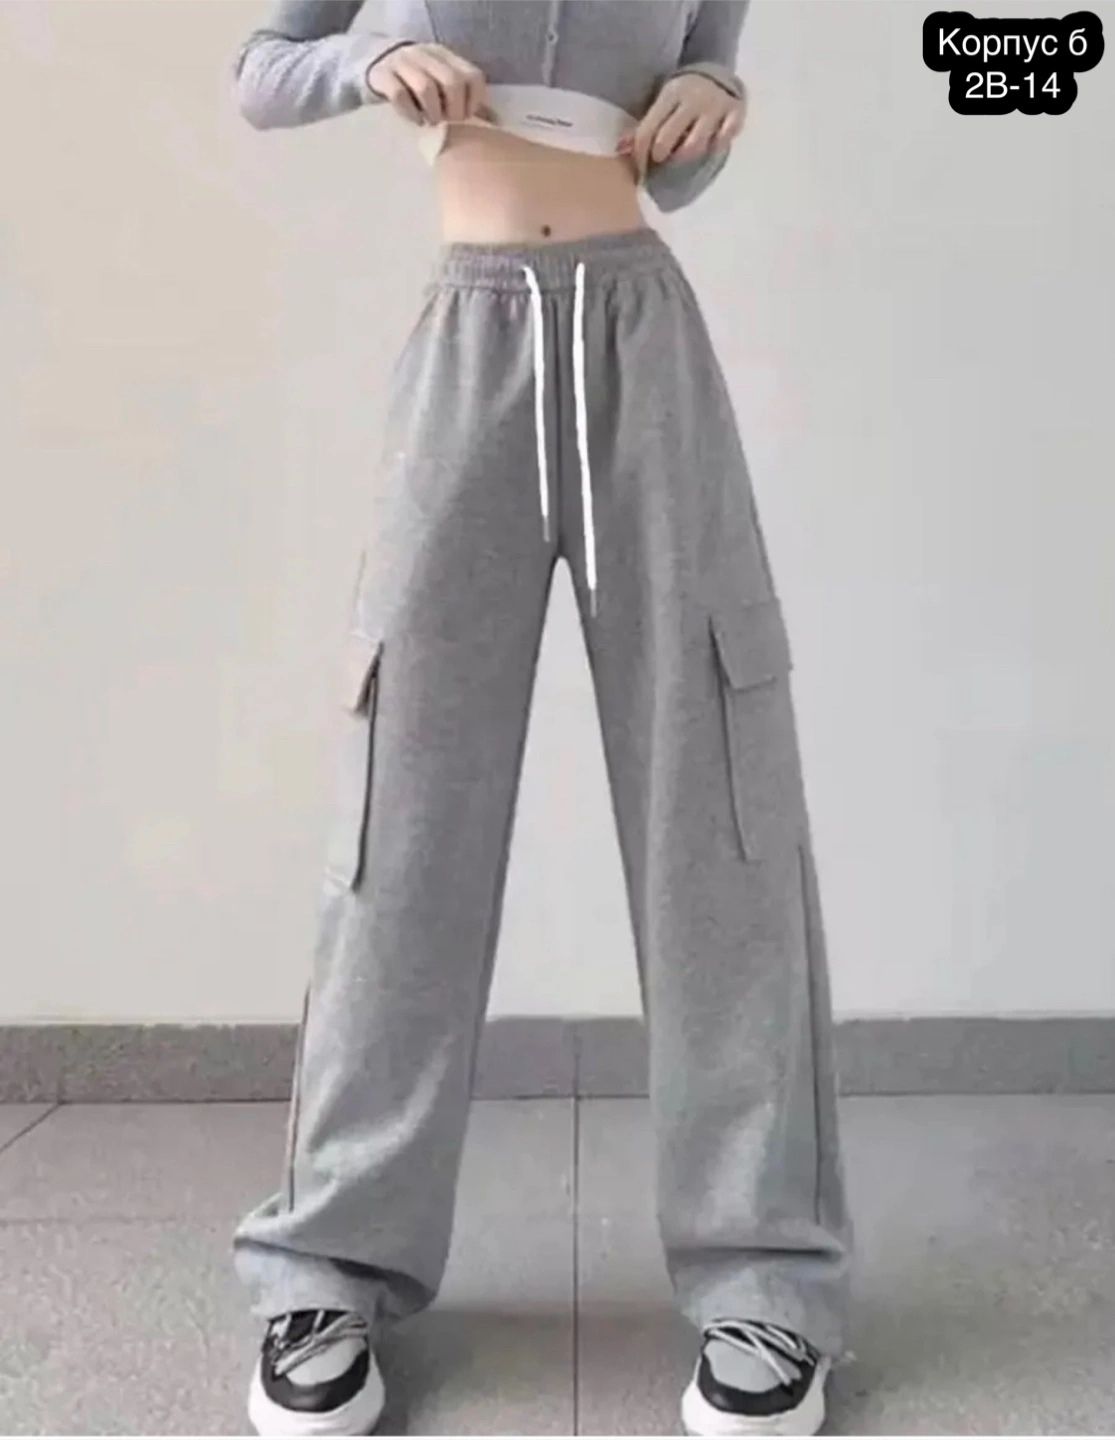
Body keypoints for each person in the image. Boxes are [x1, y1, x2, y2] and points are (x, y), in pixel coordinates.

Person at [229, 3, 852, 1435]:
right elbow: (262, 75)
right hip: (471, 338)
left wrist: (712, 99)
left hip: (646, 342)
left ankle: (767, 1273)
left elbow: (685, 141)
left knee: (720, 804)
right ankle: (326, 1266)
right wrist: (364, 58)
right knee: (403, 813)